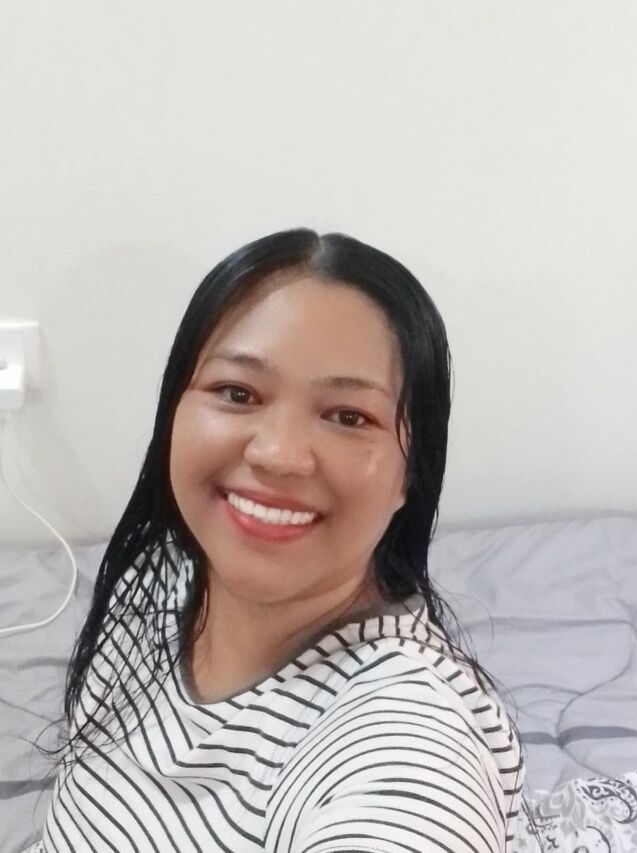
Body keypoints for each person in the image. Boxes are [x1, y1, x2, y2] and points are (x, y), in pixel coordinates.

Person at [27, 228, 541, 852]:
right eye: (237, 393)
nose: (278, 454)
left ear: (413, 474)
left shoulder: (411, 749)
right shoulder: (159, 575)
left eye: (349, 416)